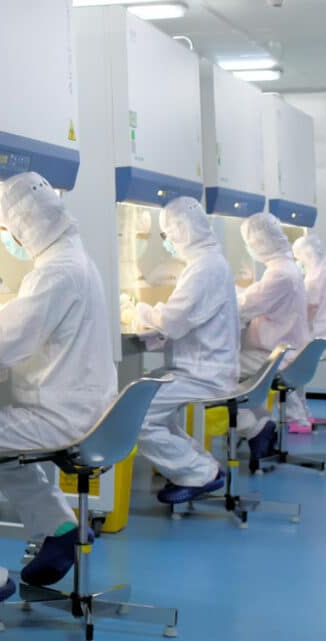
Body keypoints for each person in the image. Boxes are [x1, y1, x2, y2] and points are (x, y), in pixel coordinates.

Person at [0, 171, 117, 630]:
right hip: (85, 410)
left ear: (21, 226)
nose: (5, 239)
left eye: (5, 231)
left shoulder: (56, 271)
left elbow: (1, 345)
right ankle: (61, 529)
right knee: (6, 455)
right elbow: (29, 324)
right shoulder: (72, 261)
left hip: (61, 416)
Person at [127, 197, 237, 504]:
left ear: (182, 231)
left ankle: (200, 472)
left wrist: (142, 311)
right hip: (203, 366)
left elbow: (173, 321)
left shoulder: (204, 268)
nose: (168, 243)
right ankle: (199, 467)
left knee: (136, 416)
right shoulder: (209, 263)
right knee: (152, 409)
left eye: (167, 236)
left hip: (203, 372)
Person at [236, 212, 309, 467]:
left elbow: (245, 305)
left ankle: (256, 429)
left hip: (275, 354)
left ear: (259, 242)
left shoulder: (279, 273)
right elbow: (257, 298)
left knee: (217, 374)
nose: (249, 247)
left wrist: (223, 294)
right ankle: (260, 430)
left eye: (250, 242)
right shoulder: (285, 268)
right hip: (283, 350)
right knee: (236, 380)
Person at [293, 233, 326, 358]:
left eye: (298, 258)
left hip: (318, 338)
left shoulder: (316, 276)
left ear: (307, 255)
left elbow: (311, 308)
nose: (298, 262)